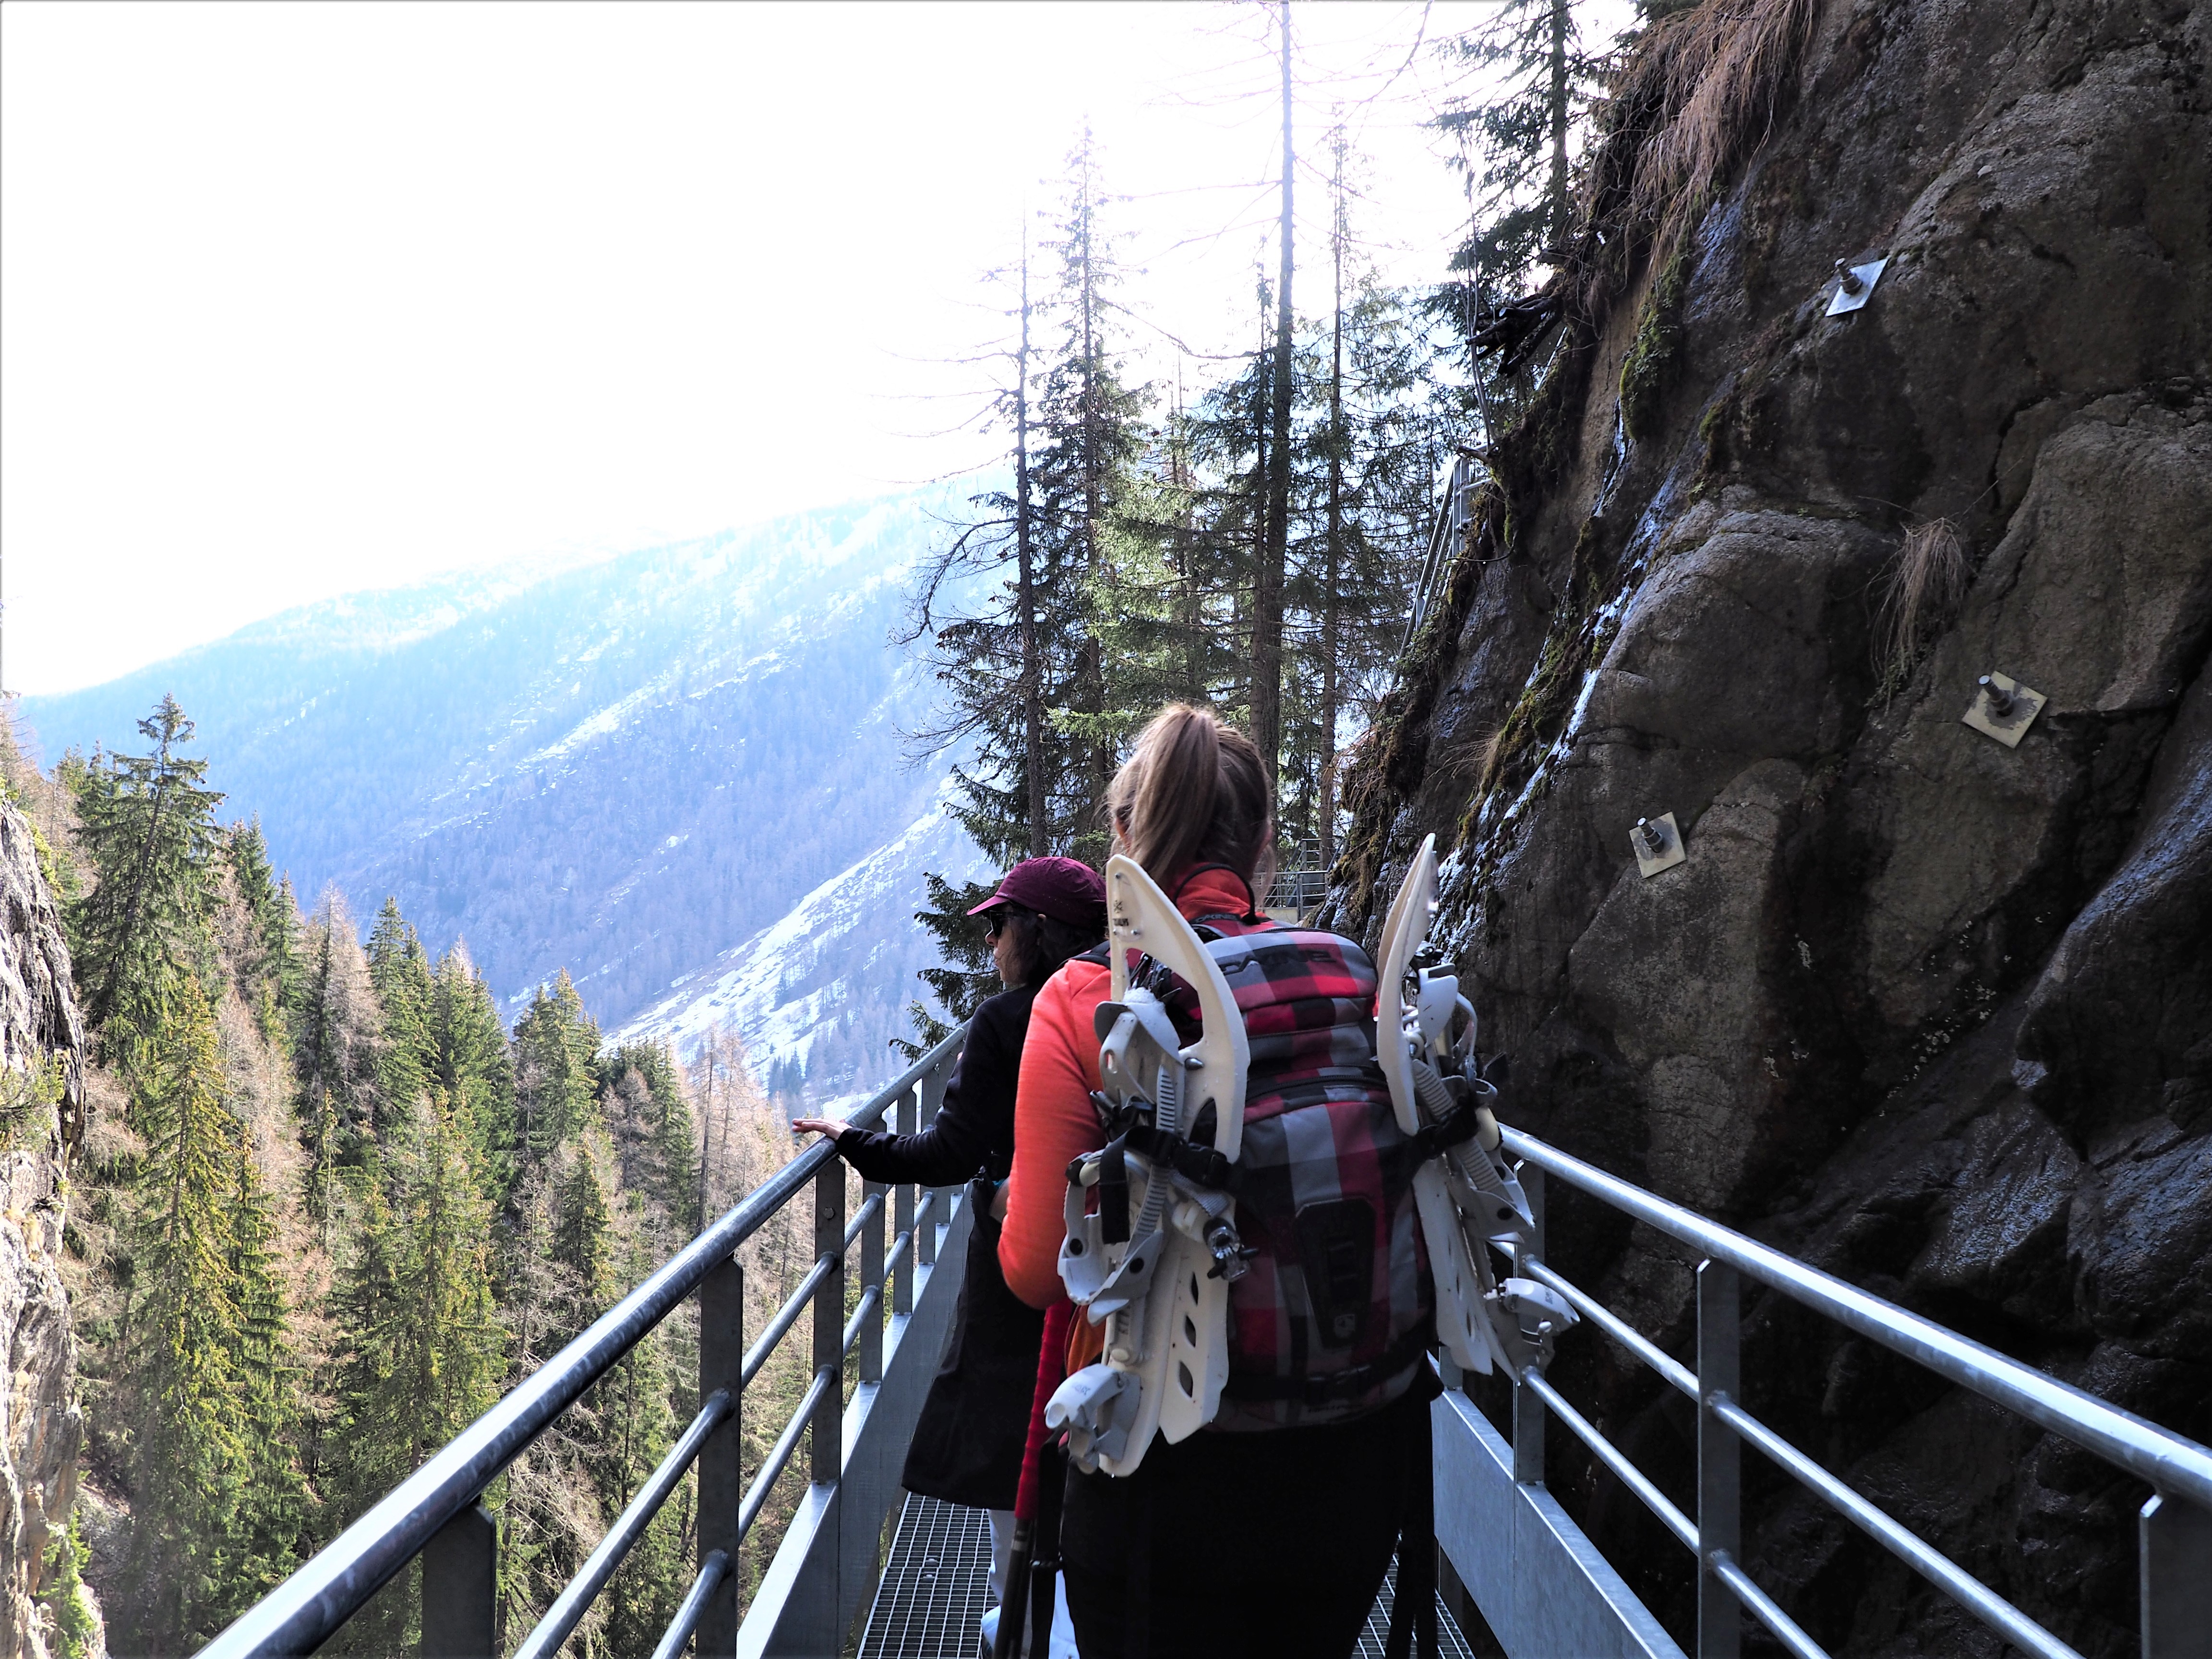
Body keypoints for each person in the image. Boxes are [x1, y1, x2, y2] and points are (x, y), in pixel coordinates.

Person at [997, 705, 1431, 1659]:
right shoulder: (1342, 978)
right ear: (1263, 845)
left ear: (1124, 839)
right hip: (1353, 1460)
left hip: (1159, 1468)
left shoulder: (1084, 1000)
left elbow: (1035, 1270)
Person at [792, 854, 1102, 1653]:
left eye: (1000, 927)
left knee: (1023, 1478)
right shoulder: (1132, 1001)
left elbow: (948, 1152)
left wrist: (855, 1142)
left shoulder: (1008, 1025)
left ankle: (1029, 1634)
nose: (992, 944)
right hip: (1118, 1286)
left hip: (1024, 1282)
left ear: (1036, 932)